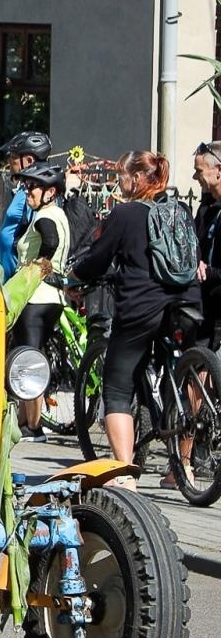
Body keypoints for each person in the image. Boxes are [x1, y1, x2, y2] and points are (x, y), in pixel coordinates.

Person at [72, 151, 200, 485]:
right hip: (187, 301)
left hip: (142, 307)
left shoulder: (125, 214)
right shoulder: (180, 211)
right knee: (180, 376)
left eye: (122, 177)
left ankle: (124, 472)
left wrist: (74, 276)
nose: (119, 184)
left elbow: (99, 258)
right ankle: (184, 465)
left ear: (138, 179)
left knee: (116, 386)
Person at [10, 159, 72, 440]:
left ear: (51, 192)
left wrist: (38, 265)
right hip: (53, 297)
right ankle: (25, 420)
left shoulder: (45, 217)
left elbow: (51, 240)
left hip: (36, 297)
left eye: (33, 186)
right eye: (26, 186)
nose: (28, 191)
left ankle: (33, 427)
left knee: (29, 360)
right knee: (33, 355)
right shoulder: (58, 214)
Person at [0, 131, 50, 279]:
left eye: (13, 157)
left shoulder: (35, 193)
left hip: (19, 278)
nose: (9, 161)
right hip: (10, 277)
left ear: (29, 160)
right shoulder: (24, 189)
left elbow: (40, 235)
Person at [193, 143, 221, 347]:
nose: (195, 177)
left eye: (199, 171)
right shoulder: (207, 208)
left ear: (218, 170)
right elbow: (194, 243)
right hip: (204, 304)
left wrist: (208, 272)